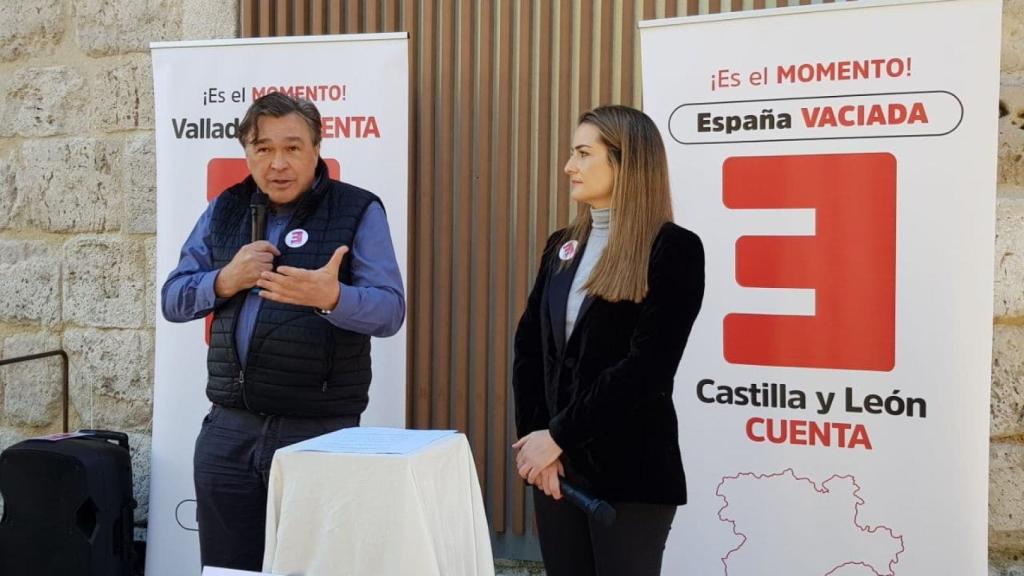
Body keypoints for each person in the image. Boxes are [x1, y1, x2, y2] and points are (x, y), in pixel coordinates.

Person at [161, 92, 405, 571]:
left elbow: (390, 311)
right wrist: (225, 280)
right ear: (246, 154)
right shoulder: (223, 210)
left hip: (318, 431)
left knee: (313, 566)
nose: (278, 163)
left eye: (292, 148)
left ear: (317, 149)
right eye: (263, 148)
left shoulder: (358, 210)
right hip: (229, 431)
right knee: (229, 569)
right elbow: (173, 299)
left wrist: (331, 298)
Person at [511, 105, 704, 576]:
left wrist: (557, 435)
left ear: (625, 162)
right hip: (556, 472)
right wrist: (538, 446)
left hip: (632, 475)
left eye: (582, 153)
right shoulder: (561, 245)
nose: (568, 167)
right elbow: (530, 349)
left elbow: (648, 369)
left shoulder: (673, 249)